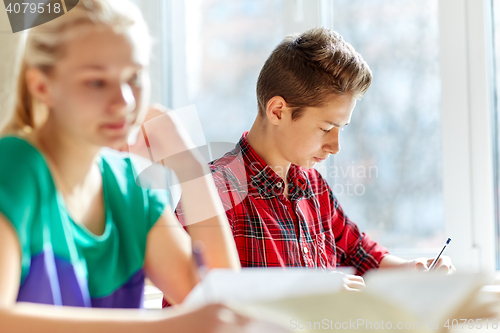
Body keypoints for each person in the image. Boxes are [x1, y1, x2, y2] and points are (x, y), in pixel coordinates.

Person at [0, 0, 286, 332]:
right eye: (96, 81)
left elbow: (221, 302)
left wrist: (190, 165)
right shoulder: (14, 167)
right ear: (41, 87)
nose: (125, 101)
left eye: (134, 77)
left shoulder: (128, 187)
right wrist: (162, 327)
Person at [175, 27, 455, 287]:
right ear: (278, 111)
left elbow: (361, 254)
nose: (335, 146)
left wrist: (415, 269)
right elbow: (196, 309)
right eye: (326, 128)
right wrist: (316, 293)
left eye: (341, 129)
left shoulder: (312, 186)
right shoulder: (211, 192)